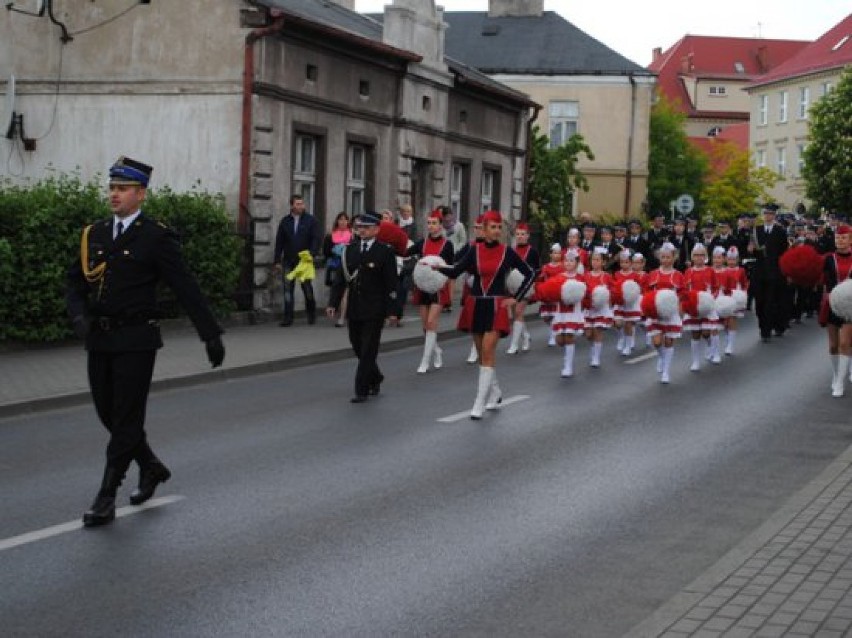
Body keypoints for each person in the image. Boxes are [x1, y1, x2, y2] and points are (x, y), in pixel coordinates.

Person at [66, 156, 225, 528]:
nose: (114, 195)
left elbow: (185, 286)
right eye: (112, 188)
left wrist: (210, 334)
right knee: (108, 413)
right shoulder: (97, 233)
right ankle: (151, 466)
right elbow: (74, 282)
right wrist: (79, 317)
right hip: (100, 338)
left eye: (122, 189)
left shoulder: (156, 236)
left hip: (137, 339)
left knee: (126, 418)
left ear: (141, 194)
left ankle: (106, 496)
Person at [435, 210, 534, 419]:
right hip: (476, 305)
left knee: (488, 352)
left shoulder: (507, 252)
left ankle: (478, 403)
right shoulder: (474, 250)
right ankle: (495, 392)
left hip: (496, 307)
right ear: (484, 229)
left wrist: (516, 298)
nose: (497, 231)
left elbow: (532, 273)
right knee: (482, 354)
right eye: (493, 227)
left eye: (499, 227)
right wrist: (435, 266)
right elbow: (455, 271)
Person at [326, 211, 399, 403]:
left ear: (376, 229)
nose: (362, 231)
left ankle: (361, 389)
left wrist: (393, 311)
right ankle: (375, 376)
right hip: (355, 307)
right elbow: (340, 279)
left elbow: (391, 284)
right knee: (357, 346)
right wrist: (333, 302)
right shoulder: (350, 249)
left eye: (366, 227)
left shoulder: (385, 251)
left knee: (368, 349)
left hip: (375, 308)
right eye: (359, 227)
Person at [409, 210, 455, 373]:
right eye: (429, 223)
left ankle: (425, 361)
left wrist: (449, 289)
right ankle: (436, 351)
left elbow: (451, 268)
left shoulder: (447, 245)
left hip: (439, 287)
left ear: (440, 225)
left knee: (431, 323)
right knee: (424, 326)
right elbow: (407, 252)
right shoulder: (422, 243)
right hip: (423, 287)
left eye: (434, 223)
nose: (431, 226)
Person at [273, 194, 322, 326]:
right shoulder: (285, 221)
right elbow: (279, 242)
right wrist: (277, 260)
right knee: (287, 289)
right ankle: (288, 317)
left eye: (302, 204)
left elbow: (316, 238)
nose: (300, 206)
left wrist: (312, 253)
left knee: (307, 288)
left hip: (304, 260)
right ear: (292, 205)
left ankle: (311, 313)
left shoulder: (311, 221)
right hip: (288, 260)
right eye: (297, 204)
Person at [748, 203, 790, 342]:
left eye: (771, 214)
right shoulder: (756, 230)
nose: (768, 216)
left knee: (771, 302)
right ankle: (763, 326)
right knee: (759, 302)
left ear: (774, 215)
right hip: (759, 272)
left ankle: (767, 330)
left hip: (774, 272)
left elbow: (784, 252)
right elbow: (752, 251)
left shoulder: (780, 231)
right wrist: (750, 249)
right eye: (766, 213)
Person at [645, 242, 684, 384]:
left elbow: (681, 294)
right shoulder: (653, 274)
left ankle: (666, 371)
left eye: (668, 257)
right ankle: (661, 357)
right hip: (656, 311)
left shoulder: (678, 275)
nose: (666, 260)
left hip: (671, 312)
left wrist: (680, 310)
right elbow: (648, 293)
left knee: (668, 341)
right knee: (656, 341)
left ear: (674, 258)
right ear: (659, 258)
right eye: (663, 257)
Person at [822, 224, 852, 397]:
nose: (840, 240)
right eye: (837, 238)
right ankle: (836, 374)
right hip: (832, 304)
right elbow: (820, 278)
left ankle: (840, 383)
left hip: (850, 305)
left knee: (844, 343)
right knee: (833, 346)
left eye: (843, 237)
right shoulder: (828, 258)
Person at [506, 222, 540, 354]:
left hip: (526, 285)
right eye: (518, 234)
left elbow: (537, 269)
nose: (520, 237)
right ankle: (525, 336)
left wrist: (533, 283)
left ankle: (514, 345)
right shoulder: (512, 250)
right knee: (515, 314)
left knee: (519, 311)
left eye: (523, 234)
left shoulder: (532, 251)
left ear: (528, 236)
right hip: (512, 285)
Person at [322, 212, 353, 327]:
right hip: (334, 266)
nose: (343, 222)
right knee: (335, 290)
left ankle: (342, 317)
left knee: (345, 292)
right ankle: (334, 309)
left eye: (345, 220)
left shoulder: (352, 235)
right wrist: (334, 251)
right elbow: (325, 252)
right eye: (341, 219)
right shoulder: (331, 235)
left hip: (347, 266)